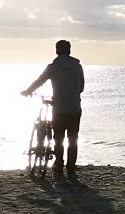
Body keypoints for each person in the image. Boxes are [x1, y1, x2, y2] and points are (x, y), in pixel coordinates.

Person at [21, 40, 85, 178]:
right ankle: (71, 168)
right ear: (69, 50)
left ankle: (58, 165)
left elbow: (40, 81)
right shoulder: (77, 66)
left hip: (59, 108)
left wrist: (27, 91)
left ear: (57, 51)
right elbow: (81, 88)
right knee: (73, 139)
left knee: (58, 138)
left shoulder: (52, 67)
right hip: (74, 108)